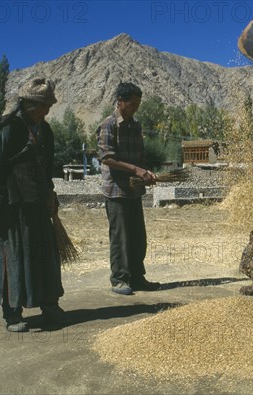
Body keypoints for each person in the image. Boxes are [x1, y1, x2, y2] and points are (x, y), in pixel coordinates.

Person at [0, 77, 66, 332]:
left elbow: (47, 168)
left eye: (48, 106)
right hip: (11, 206)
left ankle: (48, 304)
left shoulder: (46, 131)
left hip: (37, 204)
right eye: (41, 106)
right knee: (14, 258)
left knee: (44, 255)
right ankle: (13, 312)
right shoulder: (10, 128)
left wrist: (51, 194)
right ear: (27, 103)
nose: (46, 111)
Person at [96, 82, 159, 295]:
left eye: (138, 104)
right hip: (115, 190)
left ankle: (137, 277)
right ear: (120, 102)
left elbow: (140, 157)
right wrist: (135, 169)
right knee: (120, 237)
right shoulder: (109, 124)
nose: (136, 108)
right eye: (133, 104)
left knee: (138, 237)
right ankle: (120, 279)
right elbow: (106, 158)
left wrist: (146, 173)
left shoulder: (136, 125)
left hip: (133, 190)